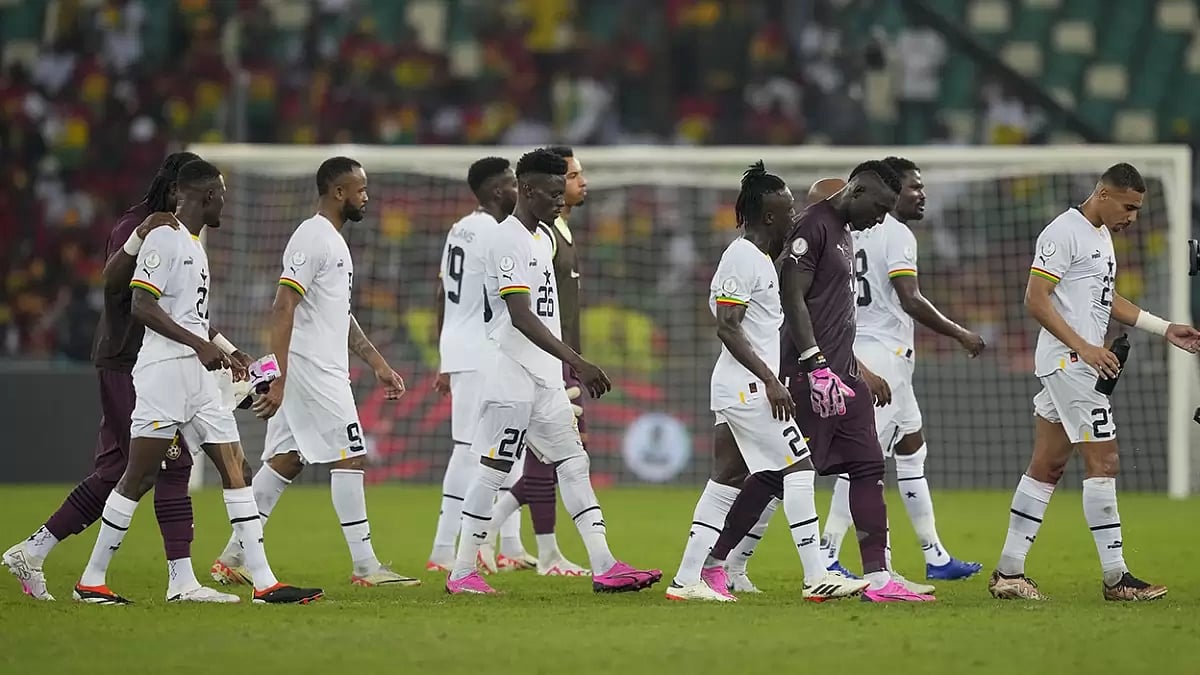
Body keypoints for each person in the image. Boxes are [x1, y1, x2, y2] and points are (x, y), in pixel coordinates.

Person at [73, 159, 321, 605]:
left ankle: (265, 583)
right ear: (207, 196)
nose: (225, 201)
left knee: (236, 468)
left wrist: (226, 351)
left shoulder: (192, 243)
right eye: (222, 194)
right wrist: (199, 346)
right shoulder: (164, 238)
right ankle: (91, 579)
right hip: (164, 372)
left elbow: (191, 317)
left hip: (199, 376)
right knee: (139, 475)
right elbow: (141, 306)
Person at [3, 152, 240, 604]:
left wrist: (227, 349)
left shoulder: (180, 233)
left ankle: (38, 551)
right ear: (179, 189)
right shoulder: (141, 225)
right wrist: (137, 238)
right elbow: (114, 287)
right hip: (128, 361)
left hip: (154, 363)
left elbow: (186, 311)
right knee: (155, 466)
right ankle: (173, 582)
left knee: (134, 467)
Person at [705, 161, 936, 603]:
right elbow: (792, 298)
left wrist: (855, 369)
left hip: (843, 374)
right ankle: (718, 562)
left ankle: (880, 577)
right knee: (777, 474)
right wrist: (813, 363)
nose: (881, 219)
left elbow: (837, 313)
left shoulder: (846, 229)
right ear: (858, 190)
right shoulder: (813, 227)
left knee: (869, 466)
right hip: (809, 374)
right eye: (880, 207)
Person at [445, 148, 661, 595]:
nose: (560, 202)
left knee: (573, 463)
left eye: (562, 194)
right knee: (494, 468)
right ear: (526, 190)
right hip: (510, 374)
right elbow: (521, 315)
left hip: (543, 377)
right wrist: (578, 361)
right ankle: (462, 571)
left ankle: (604, 564)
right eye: (552, 194)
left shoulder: (541, 237)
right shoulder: (505, 239)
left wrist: (561, 367)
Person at [988, 163, 1200, 601]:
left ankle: (1008, 572)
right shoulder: (1062, 231)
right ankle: (1116, 578)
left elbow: (1107, 297)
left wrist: (1164, 328)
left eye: (1138, 209)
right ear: (1103, 194)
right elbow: (1035, 298)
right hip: (1071, 363)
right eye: (1128, 206)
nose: (1132, 218)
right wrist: (1084, 347)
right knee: (1104, 462)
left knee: (1046, 466)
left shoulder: (1102, 237)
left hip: (1073, 364)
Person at [211, 157, 419, 589]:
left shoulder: (335, 242)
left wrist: (377, 362)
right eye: (360, 189)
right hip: (309, 371)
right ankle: (366, 566)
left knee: (287, 460)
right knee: (352, 455)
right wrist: (279, 375)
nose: (367, 196)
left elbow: (339, 315)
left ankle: (234, 556)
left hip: (317, 368)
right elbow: (282, 305)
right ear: (338, 192)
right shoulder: (311, 237)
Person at [665, 162, 868, 602]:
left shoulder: (758, 259)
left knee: (724, 482)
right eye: (790, 208)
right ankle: (817, 576)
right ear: (771, 216)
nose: (796, 216)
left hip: (738, 387)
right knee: (799, 467)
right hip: (748, 388)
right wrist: (770, 381)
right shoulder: (740, 257)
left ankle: (686, 580)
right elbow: (727, 326)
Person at [820, 156, 985, 581]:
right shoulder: (896, 234)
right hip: (880, 359)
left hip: (879, 354)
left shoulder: (847, 231)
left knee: (912, 448)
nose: (921, 194)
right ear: (889, 194)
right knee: (863, 458)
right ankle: (828, 551)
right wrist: (961, 333)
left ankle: (935, 555)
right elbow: (909, 298)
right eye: (914, 187)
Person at [482, 145, 590, 577]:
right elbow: (522, 311)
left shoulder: (552, 234)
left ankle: (538, 549)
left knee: (558, 458)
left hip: (560, 358)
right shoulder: (526, 236)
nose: (580, 184)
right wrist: (572, 361)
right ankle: (502, 542)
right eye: (574, 175)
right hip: (539, 361)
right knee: (542, 460)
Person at [427, 157, 521, 573]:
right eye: (513, 184)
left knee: (505, 445)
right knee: (471, 450)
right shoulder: (494, 232)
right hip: (482, 349)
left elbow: (442, 289)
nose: (518, 190)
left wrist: (444, 355)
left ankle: (510, 545)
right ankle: (445, 549)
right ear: (498, 191)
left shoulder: (460, 227)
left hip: (462, 346)